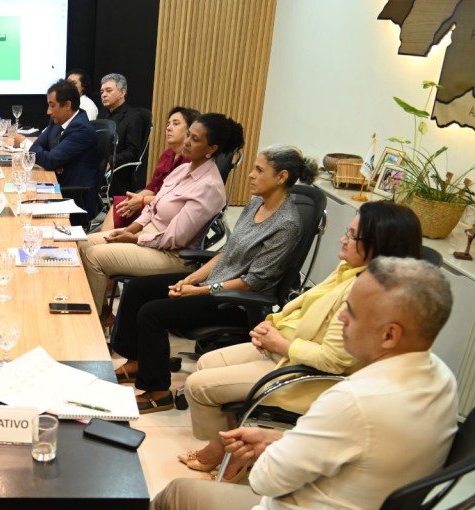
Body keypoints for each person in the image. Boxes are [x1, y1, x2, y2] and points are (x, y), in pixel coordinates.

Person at [12, 257, 457, 510]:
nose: (341, 317)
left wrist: (270, 449)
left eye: (352, 312)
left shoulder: (356, 401)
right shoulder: (438, 379)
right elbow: (356, 454)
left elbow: (264, 481)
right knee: (177, 493)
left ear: (389, 334)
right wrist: (279, 442)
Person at [182, 201, 423, 479]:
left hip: (305, 372)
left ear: (379, 244)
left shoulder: (366, 291)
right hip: (283, 349)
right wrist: (270, 323)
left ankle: (225, 452)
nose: (343, 239)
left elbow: (333, 360)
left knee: (199, 386)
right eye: (347, 231)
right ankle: (234, 445)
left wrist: (279, 344)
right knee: (206, 363)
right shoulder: (348, 269)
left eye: (352, 235)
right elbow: (301, 306)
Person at [111, 145, 314, 413]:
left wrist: (198, 291)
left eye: (259, 170)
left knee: (152, 313)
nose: (250, 174)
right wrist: (191, 279)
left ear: (281, 177)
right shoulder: (256, 204)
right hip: (214, 285)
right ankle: (138, 361)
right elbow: (226, 253)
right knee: (138, 289)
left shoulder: (286, 225)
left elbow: (251, 282)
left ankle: (158, 391)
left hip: (236, 301)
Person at [80, 112, 238, 316]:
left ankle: (94, 321)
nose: (187, 142)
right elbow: (153, 206)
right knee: (83, 243)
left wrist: (134, 239)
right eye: (188, 135)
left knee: (94, 256)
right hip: (149, 236)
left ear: (212, 149)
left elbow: (175, 238)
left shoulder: (209, 187)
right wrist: (132, 229)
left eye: (195, 139)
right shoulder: (183, 169)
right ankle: (103, 313)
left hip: (172, 254)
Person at [11, 79, 99, 215]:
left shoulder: (82, 129)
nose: (48, 111)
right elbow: (40, 145)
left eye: (52, 105)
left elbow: (50, 160)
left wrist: (24, 142)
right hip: (55, 183)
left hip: (72, 196)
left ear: (67, 105)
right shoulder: (57, 121)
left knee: (20, 206)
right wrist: (55, 160)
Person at [105, 106, 199, 229]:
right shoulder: (167, 154)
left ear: (190, 130)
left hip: (168, 212)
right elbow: (153, 186)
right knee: (121, 204)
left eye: (176, 124)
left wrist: (142, 201)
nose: (169, 128)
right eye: (168, 124)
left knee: (120, 210)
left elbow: (175, 200)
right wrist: (134, 199)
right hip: (152, 203)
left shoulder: (192, 161)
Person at [98, 73, 150, 197]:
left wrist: (110, 161)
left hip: (117, 173)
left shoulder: (133, 117)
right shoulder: (102, 115)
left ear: (122, 92)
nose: (104, 95)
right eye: (102, 92)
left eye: (109, 90)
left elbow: (132, 152)